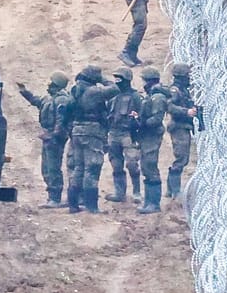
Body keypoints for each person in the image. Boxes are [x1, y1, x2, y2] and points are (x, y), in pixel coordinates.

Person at [15, 71, 71, 208]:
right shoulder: (49, 98)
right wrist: (25, 92)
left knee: (53, 168)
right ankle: (52, 196)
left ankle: (55, 197)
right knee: (46, 168)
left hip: (55, 138)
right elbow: (36, 101)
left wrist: (55, 135)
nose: (48, 84)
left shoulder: (61, 100)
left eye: (51, 82)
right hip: (49, 136)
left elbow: (61, 119)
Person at [64, 64, 114, 213]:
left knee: (78, 168)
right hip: (92, 131)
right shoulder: (93, 91)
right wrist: (103, 79)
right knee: (92, 168)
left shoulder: (75, 90)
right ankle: (91, 206)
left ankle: (73, 204)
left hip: (77, 130)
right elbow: (114, 89)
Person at [134, 66, 169, 214]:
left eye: (144, 80)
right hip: (146, 135)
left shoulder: (158, 97)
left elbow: (156, 119)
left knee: (150, 166)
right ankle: (149, 202)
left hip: (152, 135)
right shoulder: (151, 96)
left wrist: (142, 122)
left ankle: (154, 203)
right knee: (146, 167)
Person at [104, 67, 142, 204]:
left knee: (132, 163)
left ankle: (137, 192)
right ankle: (119, 192)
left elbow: (141, 116)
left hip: (128, 134)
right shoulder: (112, 96)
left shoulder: (135, 97)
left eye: (120, 78)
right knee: (116, 164)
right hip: (113, 132)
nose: (117, 81)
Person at [165, 61, 198, 201]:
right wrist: (187, 112)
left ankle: (170, 189)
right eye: (187, 75)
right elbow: (169, 107)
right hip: (178, 127)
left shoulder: (183, 90)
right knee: (181, 158)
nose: (189, 78)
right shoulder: (175, 90)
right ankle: (175, 191)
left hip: (183, 127)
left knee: (182, 158)